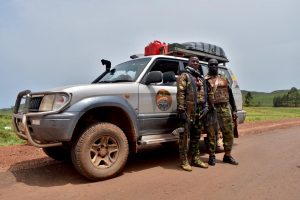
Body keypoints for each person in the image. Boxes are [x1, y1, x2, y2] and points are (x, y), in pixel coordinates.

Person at [176, 56, 209, 171]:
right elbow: (180, 93)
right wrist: (181, 109)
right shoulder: (184, 76)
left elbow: (204, 93)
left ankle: (195, 159)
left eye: (197, 62)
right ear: (189, 63)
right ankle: (184, 161)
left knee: (196, 136)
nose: (195, 63)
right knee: (184, 137)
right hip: (187, 109)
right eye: (193, 61)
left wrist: (205, 106)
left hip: (199, 110)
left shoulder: (200, 77)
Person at [205, 58, 239, 166]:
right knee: (212, 133)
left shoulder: (224, 79)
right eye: (212, 65)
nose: (214, 66)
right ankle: (211, 156)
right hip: (212, 110)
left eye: (216, 64)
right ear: (208, 67)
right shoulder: (205, 80)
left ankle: (227, 156)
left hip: (225, 108)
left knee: (228, 132)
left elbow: (230, 94)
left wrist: (234, 109)